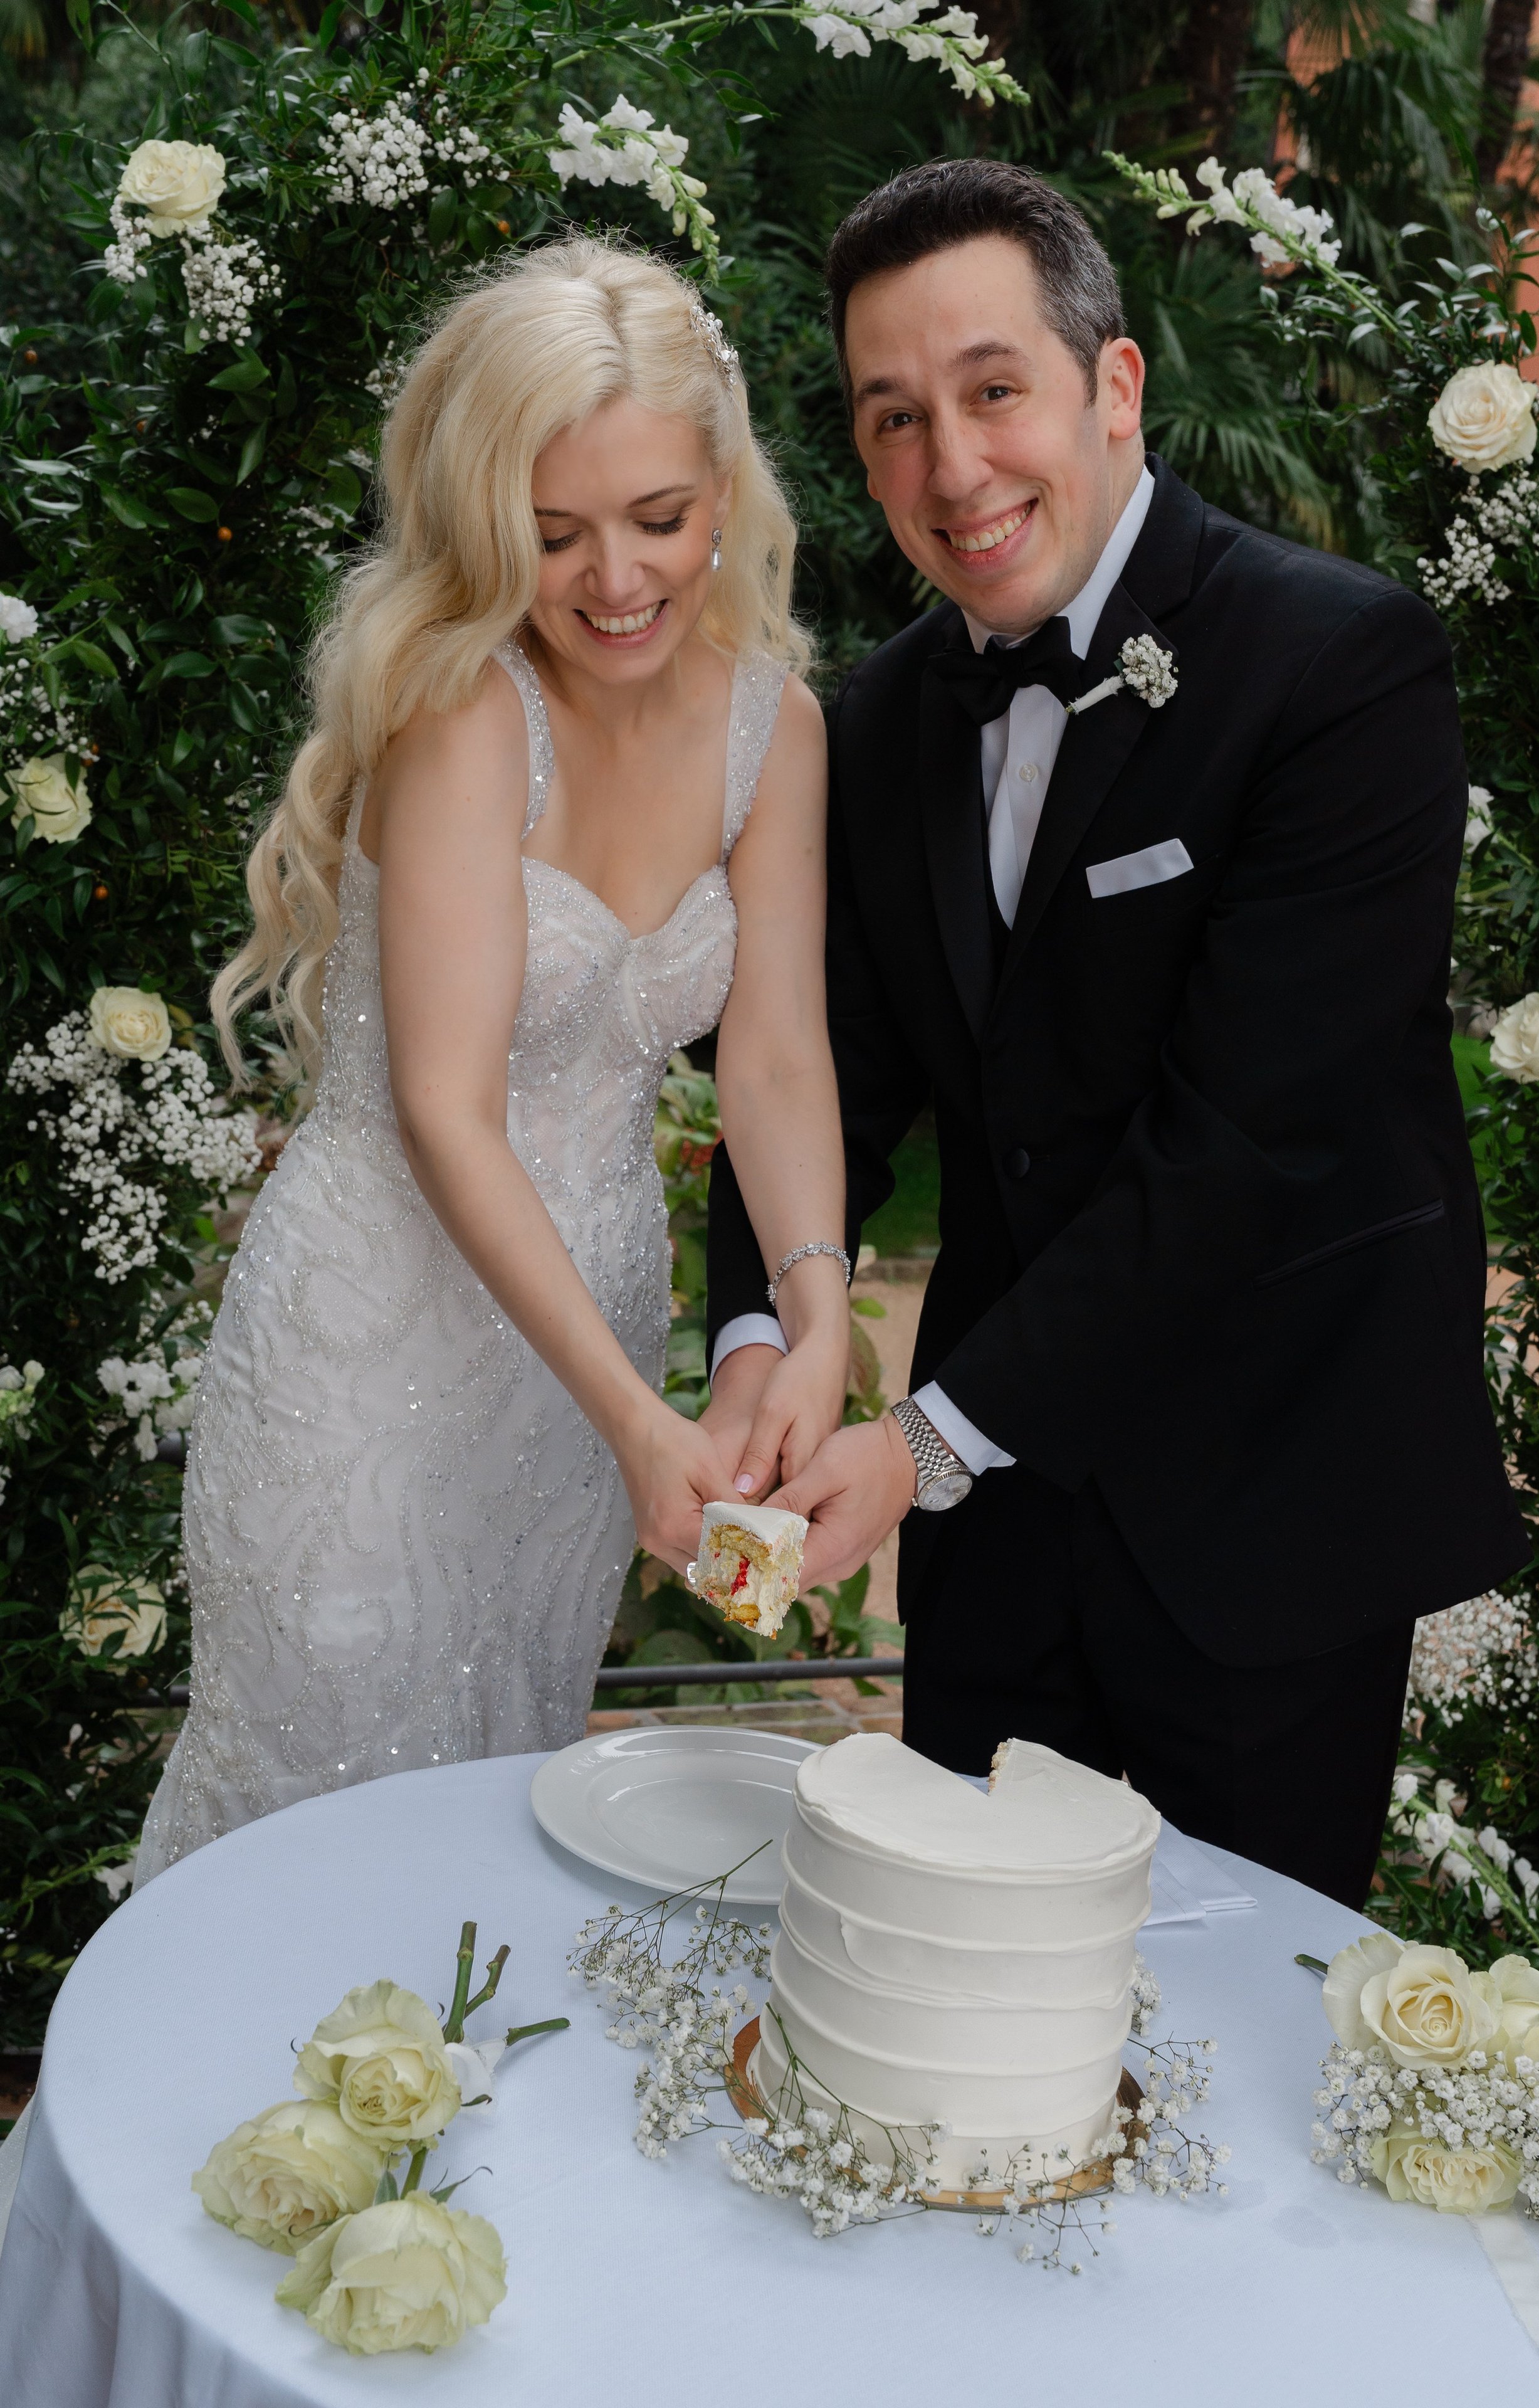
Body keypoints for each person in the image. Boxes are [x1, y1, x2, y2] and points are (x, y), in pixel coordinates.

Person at [703, 158, 1528, 1908]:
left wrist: (918, 1438)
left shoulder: (1348, 670)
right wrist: (759, 1350)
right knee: (954, 1998)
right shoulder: (881, 718)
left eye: (994, 391)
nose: (952, 468)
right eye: (895, 418)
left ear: (1116, 385)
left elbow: (1242, 1154)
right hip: (1000, 1544)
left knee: (1233, 2055)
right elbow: (809, 1073)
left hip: (1274, 1518)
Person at [133, 240, 851, 1884]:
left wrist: (812, 1311)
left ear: (725, 487)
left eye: (660, 519)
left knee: (497, 1810)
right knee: (317, 1809)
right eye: (552, 536)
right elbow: (446, 1112)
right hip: (366, 1349)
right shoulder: (463, 708)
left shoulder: (776, 731)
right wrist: (642, 1426)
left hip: (583, 1352)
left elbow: (779, 1056)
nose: (614, 580)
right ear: (481, 526)